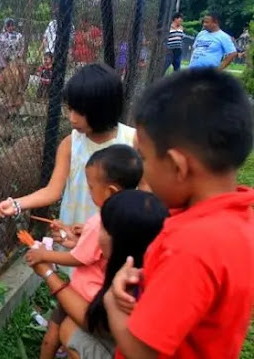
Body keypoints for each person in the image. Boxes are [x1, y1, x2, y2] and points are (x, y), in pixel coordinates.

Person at [105, 69, 254, 359]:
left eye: (145, 158)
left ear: (177, 166)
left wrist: (111, 300)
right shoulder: (238, 221)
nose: (142, 168)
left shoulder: (190, 246)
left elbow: (141, 351)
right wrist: (149, 277)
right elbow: (203, 291)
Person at [26, 145, 145, 359]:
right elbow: (95, 253)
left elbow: (80, 258)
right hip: (97, 299)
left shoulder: (102, 221)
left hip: (83, 298)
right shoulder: (128, 220)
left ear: (110, 191)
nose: (89, 192)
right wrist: (76, 240)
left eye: (90, 187)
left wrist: (44, 256)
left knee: (53, 333)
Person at [0, 63, 136, 228]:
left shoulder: (133, 141)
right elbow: (52, 191)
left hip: (113, 235)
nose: (72, 118)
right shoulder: (70, 144)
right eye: (70, 109)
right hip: (71, 233)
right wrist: (16, 204)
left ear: (104, 109)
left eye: (80, 112)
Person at [29, 190, 168, 359]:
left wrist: (48, 273)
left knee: (68, 329)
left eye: (101, 228)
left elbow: (93, 323)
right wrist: (80, 243)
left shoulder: (128, 292)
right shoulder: (146, 265)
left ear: (119, 240)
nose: (93, 234)